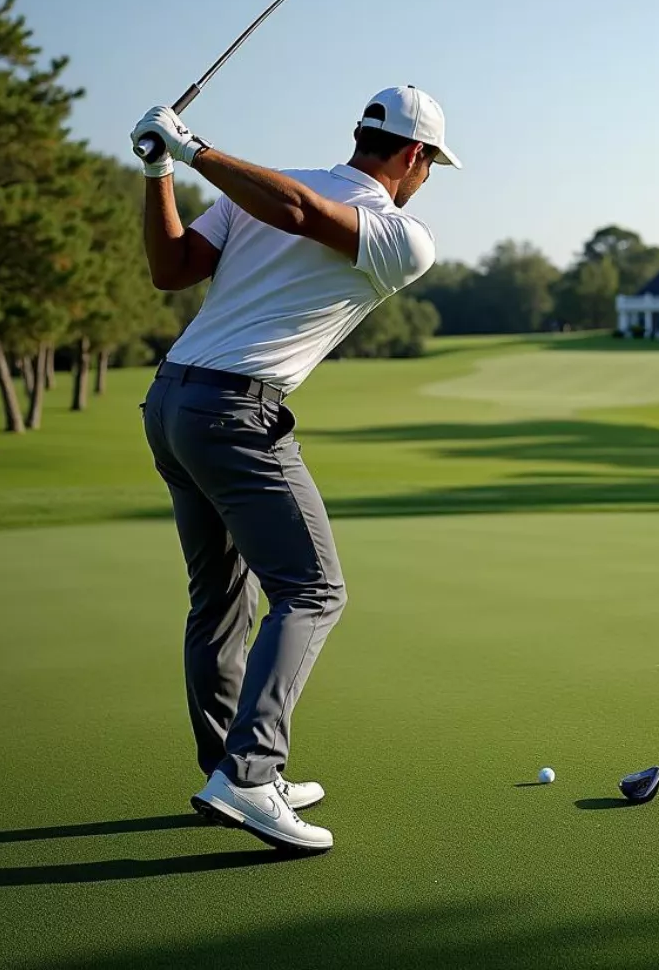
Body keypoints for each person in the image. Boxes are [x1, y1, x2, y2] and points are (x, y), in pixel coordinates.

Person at [131, 87, 459, 854]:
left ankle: (228, 770)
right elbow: (184, 264)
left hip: (172, 402)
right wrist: (179, 160)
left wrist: (167, 169)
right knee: (313, 591)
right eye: (432, 165)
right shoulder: (404, 235)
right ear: (414, 157)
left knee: (220, 602)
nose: (428, 178)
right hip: (234, 415)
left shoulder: (266, 192)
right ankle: (247, 773)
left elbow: (187, 260)